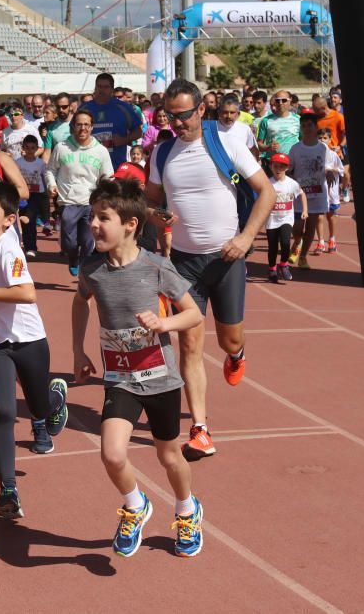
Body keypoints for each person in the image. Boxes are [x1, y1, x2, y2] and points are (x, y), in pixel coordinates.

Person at [72, 178, 205, 558]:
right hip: (120, 379)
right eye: (92, 217)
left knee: (168, 456)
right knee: (112, 453)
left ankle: (186, 509)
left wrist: (165, 324)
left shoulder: (157, 267)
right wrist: (78, 350)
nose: (94, 225)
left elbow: (193, 315)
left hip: (160, 378)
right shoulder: (92, 269)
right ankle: (135, 505)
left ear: (130, 224)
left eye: (103, 218)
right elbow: (80, 302)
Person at [145, 79, 275, 461]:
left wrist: (246, 238)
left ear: (202, 109)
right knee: (189, 344)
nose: (177, 123)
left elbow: (266, 191)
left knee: (228, 341)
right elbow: (150, 201)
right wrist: (156, 216)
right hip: (184, 263)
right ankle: (200, 429)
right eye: (170, 116)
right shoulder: (162, 152)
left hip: (227, 258)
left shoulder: (227, 141)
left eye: (184, 115)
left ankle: (238, 354)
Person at [0, 181, 68, 518]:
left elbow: (27, 293)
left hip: (28, 340)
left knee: (37, 407)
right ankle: (8, 490)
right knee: (4, 412)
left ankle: (53, 400)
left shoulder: (9, 249)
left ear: (8, 219)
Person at [45, 109, 114, 276]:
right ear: (73, 127)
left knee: (88, 240)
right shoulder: (62, 148)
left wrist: (107, 194)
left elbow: (108, 177)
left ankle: (83, 267)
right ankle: (72, 256)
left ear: (91, 127)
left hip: (91, 202)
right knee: (69, 242)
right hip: (68, 201)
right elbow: (50, 170)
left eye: (86, 125)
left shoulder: (100, 151)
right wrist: (51, 184)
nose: (82, 128)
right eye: (79, 125)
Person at [287, 110, 344, 269]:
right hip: (300, 194)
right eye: (303, 125)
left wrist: (330, 172)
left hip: (318, 192)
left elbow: (330, 166)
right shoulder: (296, 149)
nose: (307, 128)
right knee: (298, 228)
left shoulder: (323, 149)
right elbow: (289, 169)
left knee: (311, 227)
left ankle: (303, 256)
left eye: (310, 125)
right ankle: (297, 242)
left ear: (315, 127)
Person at [78, 73, 144, 168]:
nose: (102, 90)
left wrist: (123, 139)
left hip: (115, 166)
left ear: (112, 89)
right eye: (99, 86)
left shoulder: (123, 108)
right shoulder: (84, 107)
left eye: (106, 87)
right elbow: (73, 131)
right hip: (89, 167)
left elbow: (138, 132)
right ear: (95, 88)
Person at [265, 153, 306, 283]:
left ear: (286, 168)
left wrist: (305, 210)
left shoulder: (292, 184)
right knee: (272, 246)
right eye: (275, 166)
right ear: (271, 166)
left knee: (285, 242)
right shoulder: (267, 183)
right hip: (271, 219)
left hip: (286, 219)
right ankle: (272, 269)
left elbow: (302, 194)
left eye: (281, 167)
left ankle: (283, 265)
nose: (278, 169)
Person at [15, 134, 48, 257]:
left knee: (31, 220)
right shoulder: (18, 163)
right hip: (23, 195)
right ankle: (28, 245)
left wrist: (47, 192)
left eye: (32, 148)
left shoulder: (40, 163)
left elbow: (45, 178)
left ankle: (32, 247)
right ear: (23, 148)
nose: (30, 150)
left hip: (36, 194)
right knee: (25, 221)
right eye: (27, 147)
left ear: (37, 149)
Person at [256, 89, 300, 164]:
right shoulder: (266, 120)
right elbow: (259, 144)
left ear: (290, 101)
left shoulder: (298, 119)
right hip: (274, 163)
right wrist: (268, 147)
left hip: (294, 162)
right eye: (277, 101)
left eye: (284, 100)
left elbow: (303, 141)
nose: (280, 103)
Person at [217, 94, 261, 162]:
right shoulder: (211, 129)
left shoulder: (245, 129)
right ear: (219, 113)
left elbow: (253, 151)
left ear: (238, 114)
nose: (228, 116)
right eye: (225, 112)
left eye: (232, 112)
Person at [41, 92, 73, 162]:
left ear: (70, 106)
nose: (61, 110)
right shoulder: (51, 127)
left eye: (64, 107)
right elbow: (47, 153)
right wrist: (43, 169)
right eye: (58, 107)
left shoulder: (79, 122)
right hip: (59, 168)